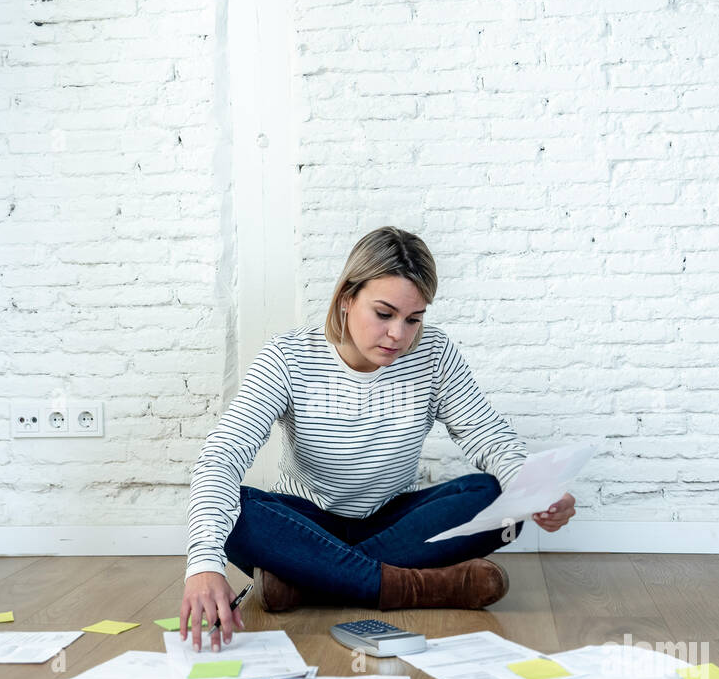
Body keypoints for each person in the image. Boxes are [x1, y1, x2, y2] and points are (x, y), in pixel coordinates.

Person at [180, 226, 576, 651]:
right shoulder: (288, 357)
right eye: (384, 314)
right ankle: (415, 585)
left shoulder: (434, 354)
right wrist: (203, 564)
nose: (398, 336)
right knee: (239, 510)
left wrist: (538, 491)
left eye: (413, 319)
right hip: (307, 521)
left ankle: (307, 581)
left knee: (498, 498)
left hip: (394, 521)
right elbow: (222, 457)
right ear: (346, 298)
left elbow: (490, 438)